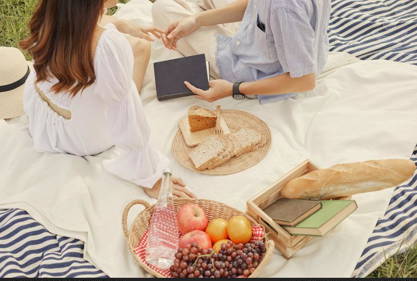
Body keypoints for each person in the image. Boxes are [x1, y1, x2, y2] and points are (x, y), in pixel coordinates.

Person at [20, 0, 195, 199]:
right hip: (81, 138)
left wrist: (123, 24)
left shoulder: (56, 10)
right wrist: (150, 176)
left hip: (43, 116)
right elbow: (127, 116)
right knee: (140, 50)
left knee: (139, 46)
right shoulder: (108, 43)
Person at [152, 0, 331, 103]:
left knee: (162, 7)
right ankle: (199, 16)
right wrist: (197, 20)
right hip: (261, 38)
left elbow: (304, 81)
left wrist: (234, 89)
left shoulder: (284, 8)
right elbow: (254, 6)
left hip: (252, 73)